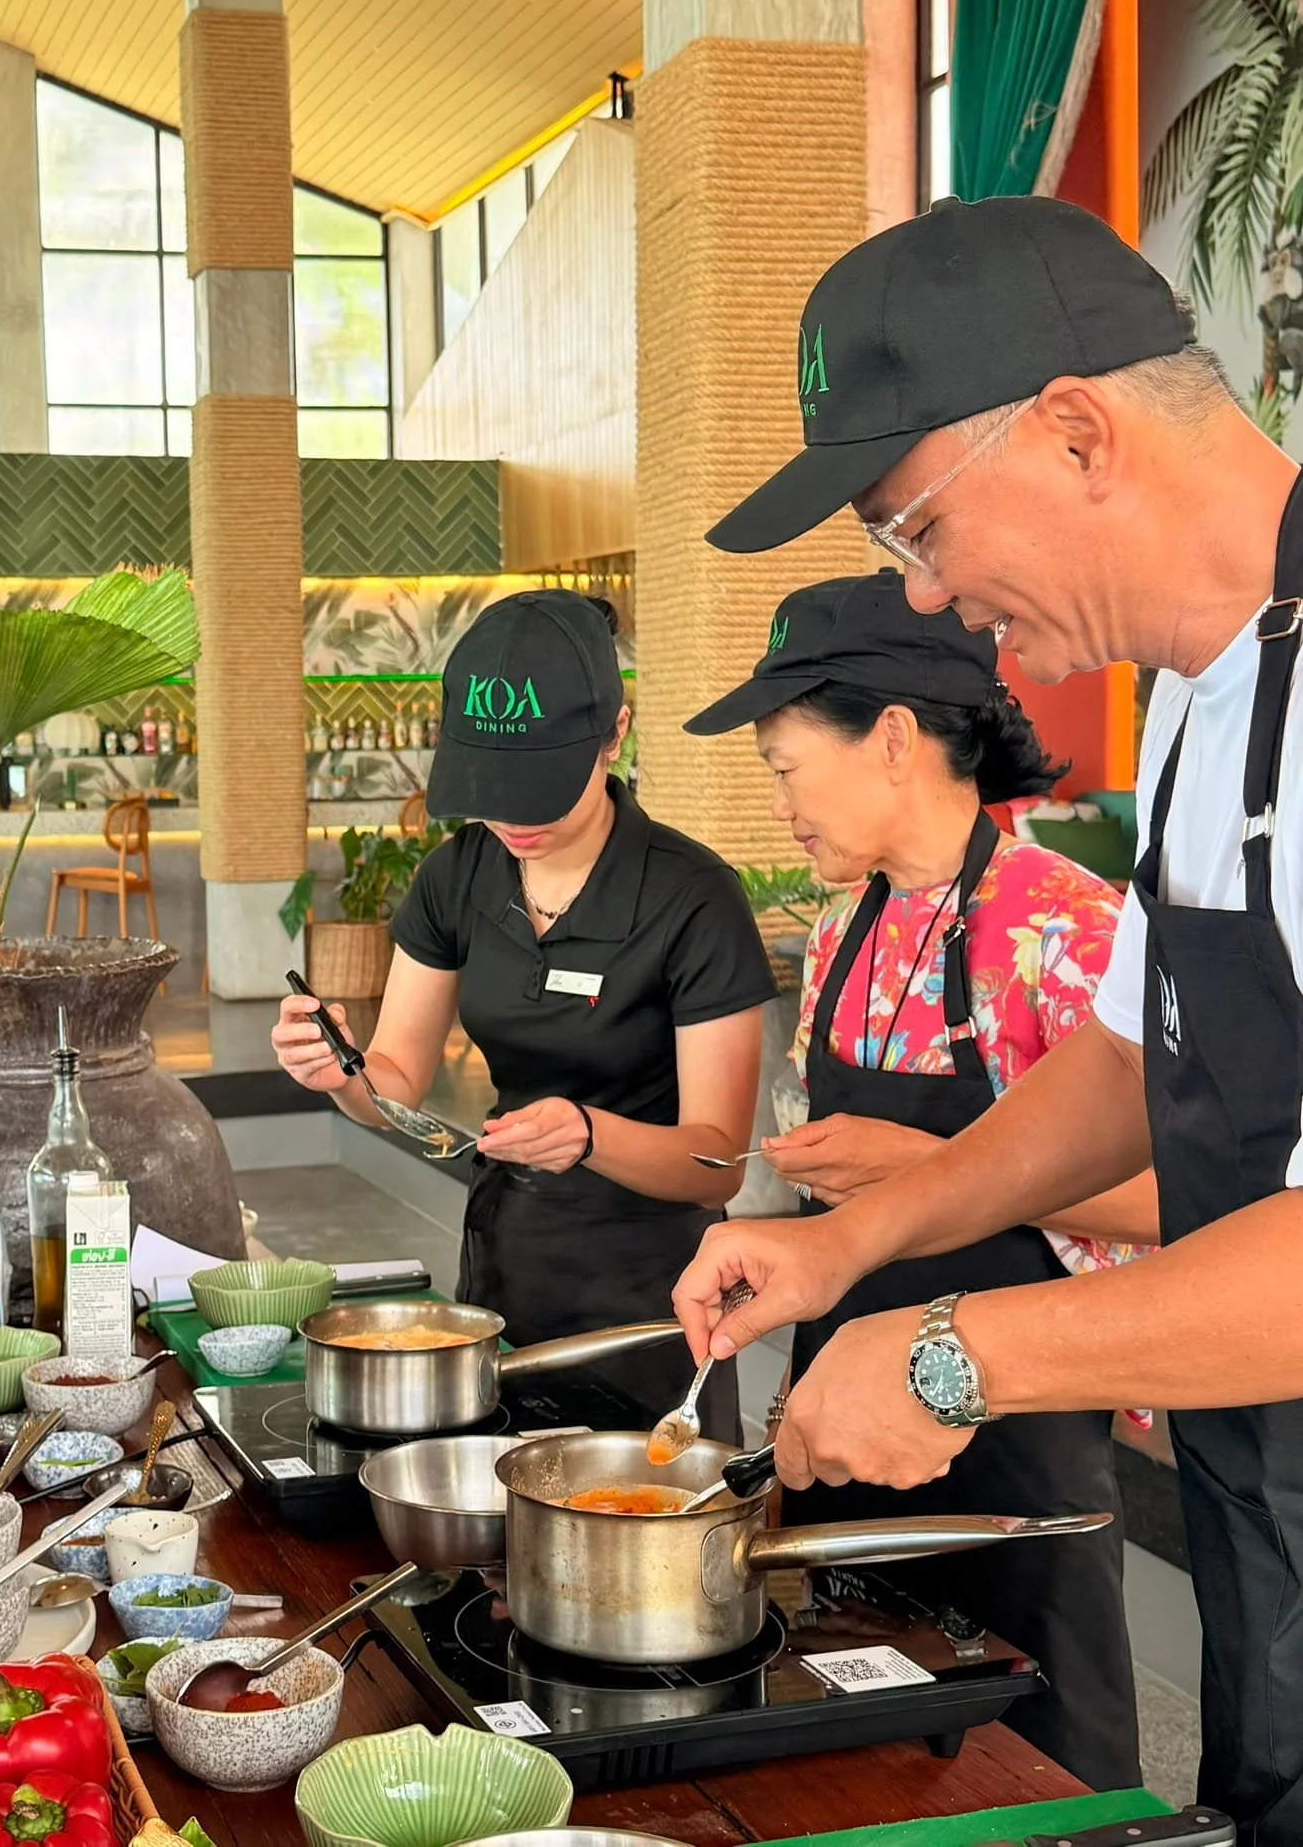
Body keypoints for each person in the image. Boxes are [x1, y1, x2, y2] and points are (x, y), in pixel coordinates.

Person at [671, 193, 1303, 1844]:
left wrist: (965, 1355)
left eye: (915, 530)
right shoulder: (1205, 697)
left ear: (1076, 432)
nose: (936, 600)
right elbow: (1127, 1057)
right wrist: (850, 1247)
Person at [683, 567, 1156, 1786]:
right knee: (859, 1739)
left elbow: (1178, 1198)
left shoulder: (1065, 923)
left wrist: (929, 1165)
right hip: (843, 1410)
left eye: (786, 766)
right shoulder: (842, 925)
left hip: (1013, 1432)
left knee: (1033, 1755)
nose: (779, 802)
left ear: (891, 738)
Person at [273, 587, 774, 1423]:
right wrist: (339, 1071)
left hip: (656, 1289)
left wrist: (589, 1135)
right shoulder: (456, 876)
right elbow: (392, 1083)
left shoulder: (691, 897)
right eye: (491, 785)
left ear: (615, 734)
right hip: (505, 1264)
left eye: (539, 786)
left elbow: (717, 1163)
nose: (512, 817)